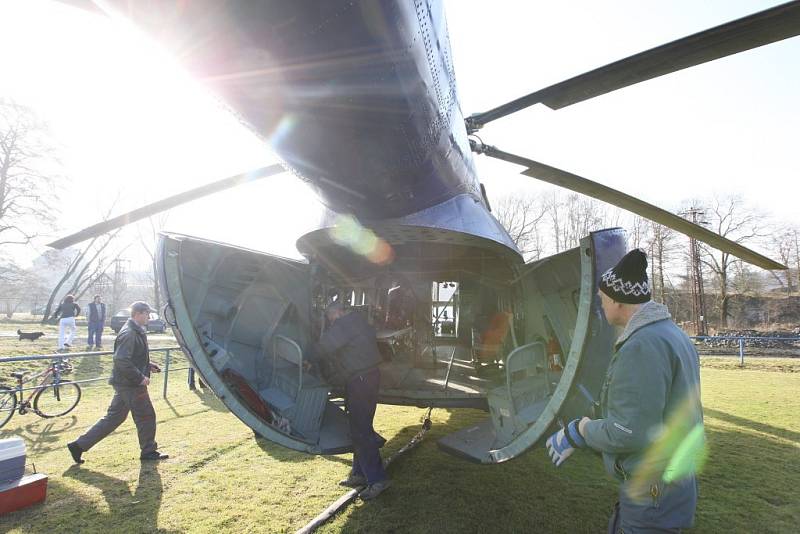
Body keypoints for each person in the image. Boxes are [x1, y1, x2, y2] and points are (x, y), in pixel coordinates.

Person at [546, 249, 704, 533]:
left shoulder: (641, 346)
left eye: (603, 298)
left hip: (653, 492)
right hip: (671, 483)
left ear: (618, 300)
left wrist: (580, 430)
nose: (601, 303)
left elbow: (627, 431)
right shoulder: (673, 334)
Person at [68, 301, 169, 463]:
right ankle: (149, 451)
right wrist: (140, 378)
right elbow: (121, 359)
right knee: (146, 416)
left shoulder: (135, 331)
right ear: (138, 314)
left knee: (114, 418)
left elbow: (132, 357)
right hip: (131, 385)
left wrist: (148, 365)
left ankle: (78, 446)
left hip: (125, 383)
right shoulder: (129, 333)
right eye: (146, 314)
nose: (149, 317)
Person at [309, 301, 390, 500]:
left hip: (360, 379)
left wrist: (306, 356)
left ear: (335, 313)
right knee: (359, 427)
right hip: (369, 376)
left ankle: (378, 479)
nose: (329, 321)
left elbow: (325, 347)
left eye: (329, 318)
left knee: (361, 430)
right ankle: (359, 473)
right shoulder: (359, 320)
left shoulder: (343, 325)